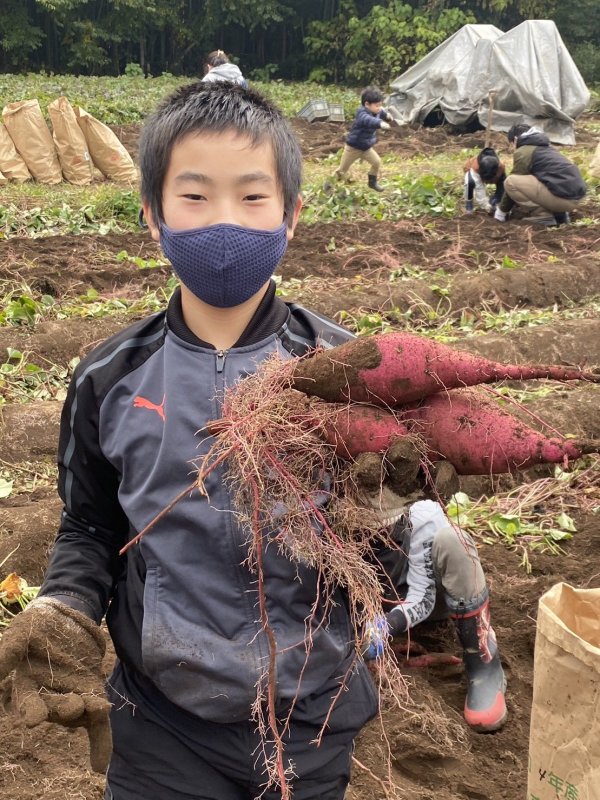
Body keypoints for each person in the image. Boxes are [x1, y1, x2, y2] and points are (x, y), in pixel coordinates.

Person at [0, 82, 506, 800]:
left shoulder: (347, 373)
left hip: (312, 718)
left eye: (252, 196)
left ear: (291, 215)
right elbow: (90, 526)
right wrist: (63, 606)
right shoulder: (109, 378)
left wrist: (392, 514)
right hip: (161, 722)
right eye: (195, 196)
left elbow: (376, 565)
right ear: (152, 214)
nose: (224, 221)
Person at [364, 494, 507, 734]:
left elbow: (423, 597)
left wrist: (386, 626)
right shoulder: (328, 517)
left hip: (425, 597)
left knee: (453, 541)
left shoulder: (421, 515)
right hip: (375, 608)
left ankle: (483, 662)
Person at [494, 124, 587, 226]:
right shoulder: (546, 148)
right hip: (576, 199)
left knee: (510, 181)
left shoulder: (523, 151)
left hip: (563, 200)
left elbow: (514, 184)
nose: (512, 148)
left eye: (511, 144)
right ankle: (560, 214)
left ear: (515, 140)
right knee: (536, 179)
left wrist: (501, 212)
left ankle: (543, 215)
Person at [334, 86, 392, 192]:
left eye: (380, 105)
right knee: (342, 171)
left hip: (366, 147)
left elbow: (381, 113)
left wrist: (387, 116)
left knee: (377, 162)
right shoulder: (362, 114)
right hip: (353, 148)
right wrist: (380, 123)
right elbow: (368, 120)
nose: (379, 108)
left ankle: (372, 182)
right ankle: (328, 185)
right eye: (377, 105)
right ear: (366, 104)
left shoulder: (377, 110)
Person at [463, 147, 506, 214]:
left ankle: (496, 200)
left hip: (494, 176)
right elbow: (479, 189)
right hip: (472, 174)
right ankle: (469, 204)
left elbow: (502, 186)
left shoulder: (500, 167)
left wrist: (497, 199)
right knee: (469, 182)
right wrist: (486, 205)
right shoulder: (475, 167)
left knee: (503, 183)